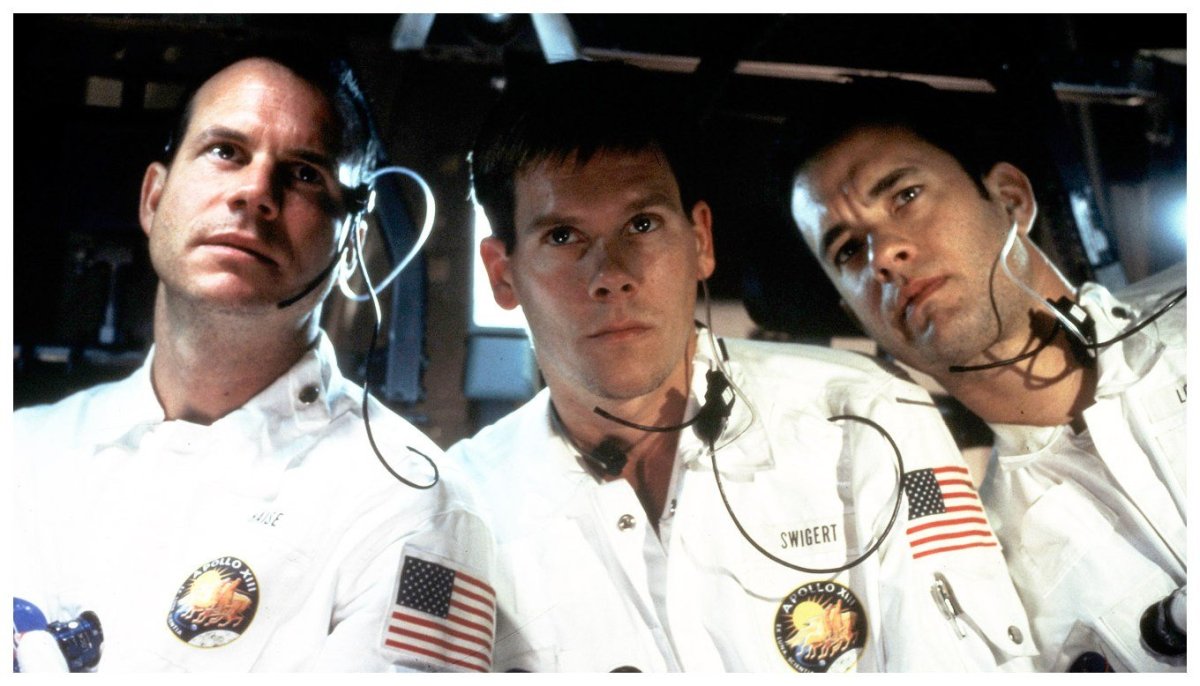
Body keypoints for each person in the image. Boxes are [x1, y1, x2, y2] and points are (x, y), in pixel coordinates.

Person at [449, 59, 1035, 673]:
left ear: (700, 241)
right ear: (502, 275)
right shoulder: (456, 505)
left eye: (642, 224)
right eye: (563, 237)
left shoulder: (869, 418)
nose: (611, 276)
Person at [12, 53, 495, 672]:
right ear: (154, 198)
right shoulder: (22, 450)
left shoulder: (414, 506)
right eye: (225, 151)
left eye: (303, 174)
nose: (254, 193)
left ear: (351, 245)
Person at [785, 79, 1185, 672]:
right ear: (857, 316)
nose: (883, 253)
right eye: (847, 250)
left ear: (1010, 199)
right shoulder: (988, 583)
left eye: (905, 196)